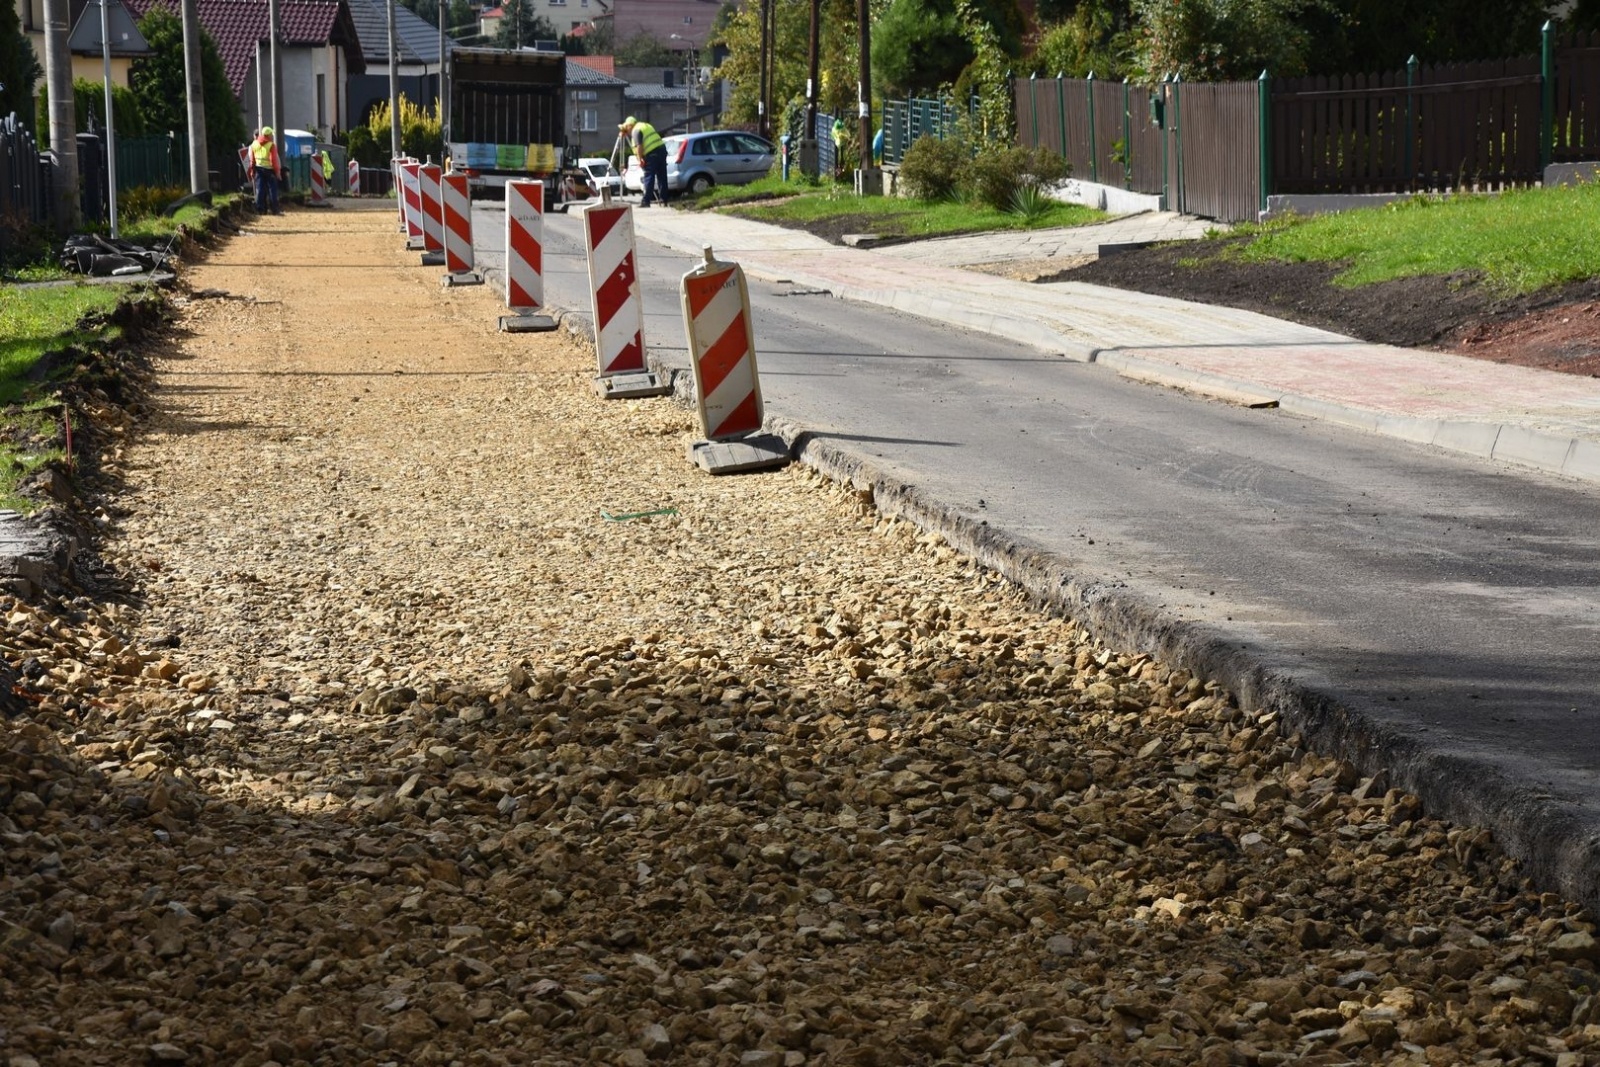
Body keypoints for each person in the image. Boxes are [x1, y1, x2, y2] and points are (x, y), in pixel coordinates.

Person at [620, 116, 668, 207]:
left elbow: (639, 146)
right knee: (662, 176)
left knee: (649, 177)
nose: (627, 131)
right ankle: (663, 200)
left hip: (651, 154)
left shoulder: (636, 130)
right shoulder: (645, 125)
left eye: (626, 128)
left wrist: (640, 159)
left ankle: (646, 201)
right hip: (661, 150)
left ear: (630, 125)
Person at [246, 126, 283, 215]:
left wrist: (252, 170)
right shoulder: (271, 145)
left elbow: (252, 160)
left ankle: (260, 209)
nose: (272, 136)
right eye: (271, 135)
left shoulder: (254, 144)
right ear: (269, 135)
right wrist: (277, 172)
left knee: (260, 189)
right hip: (270, 170)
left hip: (259, 169)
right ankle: (274, 209)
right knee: (272, 190)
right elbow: (274, 160)